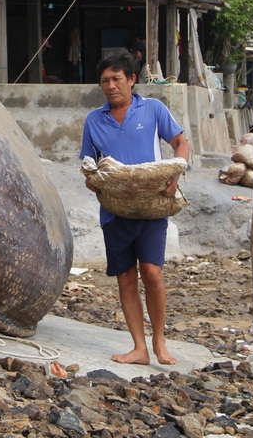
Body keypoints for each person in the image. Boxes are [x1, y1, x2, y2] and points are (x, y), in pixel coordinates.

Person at [80, 52, 190, 365]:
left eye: (117, 79)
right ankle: (139, 348)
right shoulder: (93, 120)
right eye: (105, 80)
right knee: (126, 279)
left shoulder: (153, 109)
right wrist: (93, 181)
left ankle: (159, 340)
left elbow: (181, 143)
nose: (111, 85)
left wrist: (175, 173)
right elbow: (88, 163)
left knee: (152, 273)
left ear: (132, 80)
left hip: (152, 207)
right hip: (114, 211)